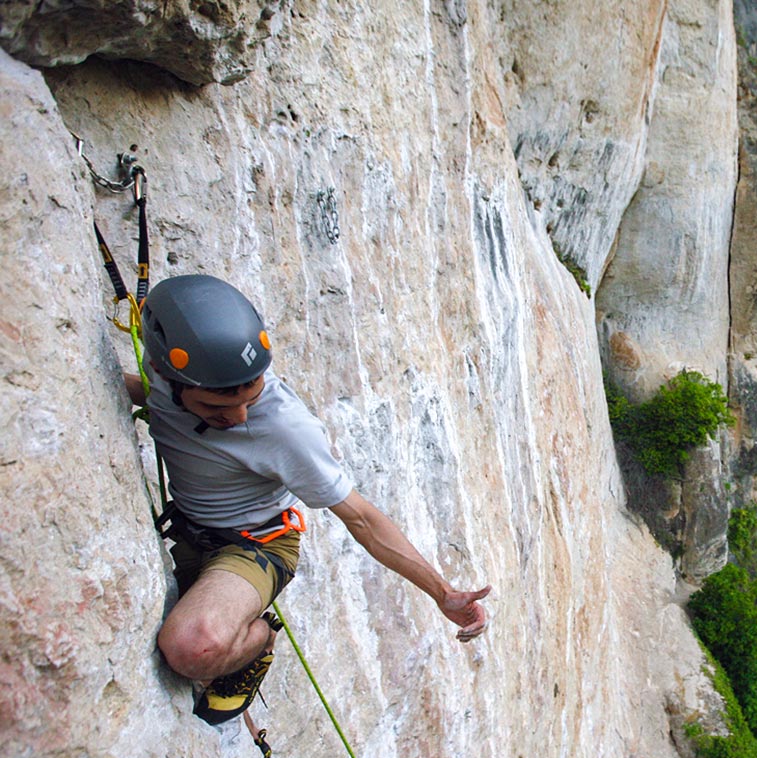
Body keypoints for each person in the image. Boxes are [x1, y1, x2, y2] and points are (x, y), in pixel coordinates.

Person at [125, 274, 489, 725]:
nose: (238, 418)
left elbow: (362, 518)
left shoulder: (284, 430)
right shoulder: (170, 370)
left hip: (255, 546)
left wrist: (442, 592)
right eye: (217, 409)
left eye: (250, 398)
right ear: (165, 371)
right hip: (193, 525)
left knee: (192, 647)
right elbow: (157, 398)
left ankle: (257, 645)